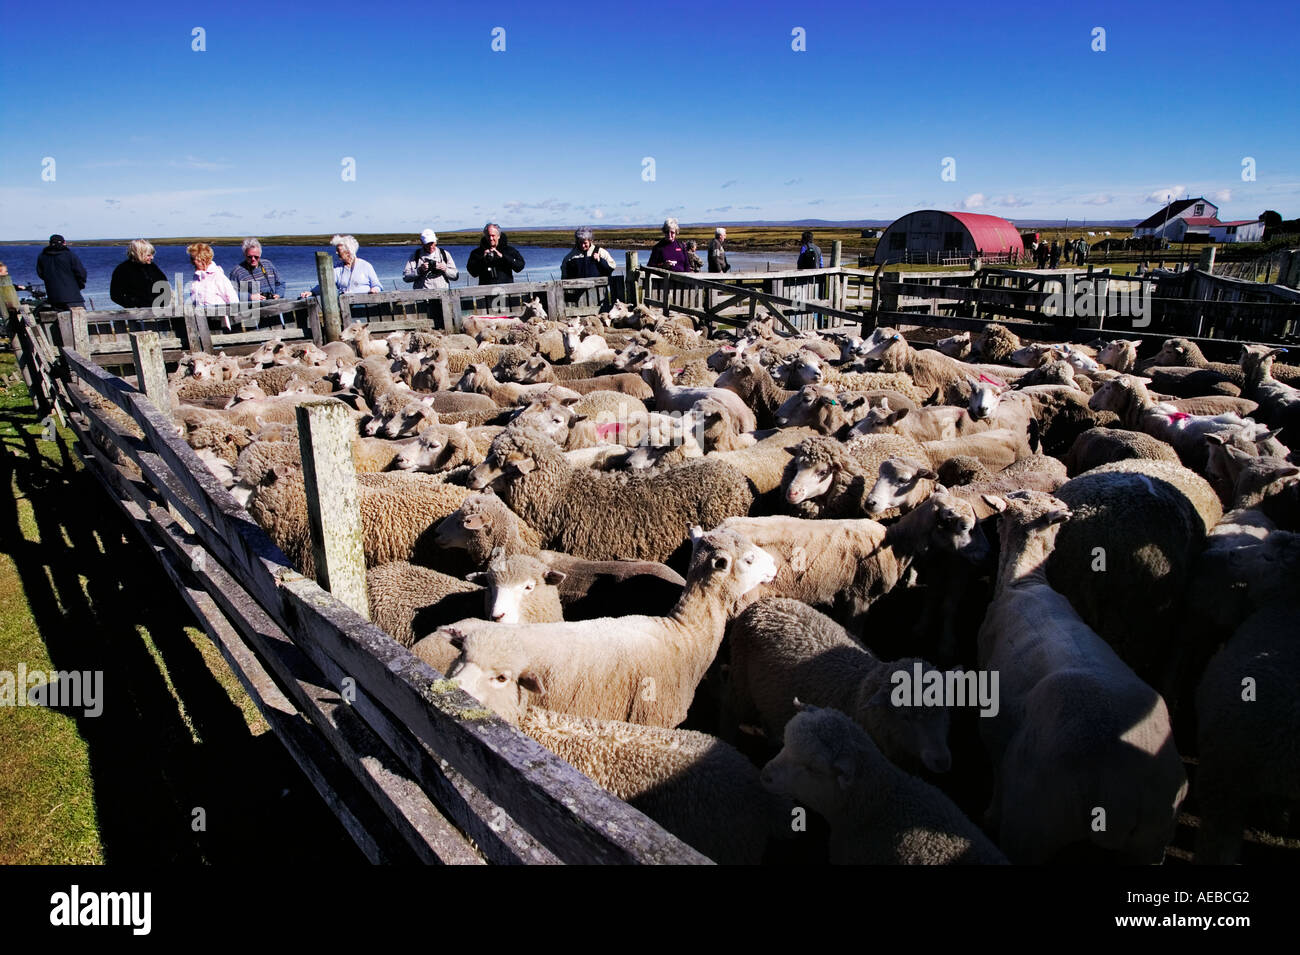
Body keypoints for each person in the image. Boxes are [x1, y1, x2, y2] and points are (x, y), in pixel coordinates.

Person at [301, 235, 383, 298]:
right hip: (345, 306)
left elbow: (377, 285)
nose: (336, 253)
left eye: (338, 250)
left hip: (365, 303)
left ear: (348, 251)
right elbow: (326, 284)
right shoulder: (337, 268)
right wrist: (311, 292)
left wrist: (374, 290)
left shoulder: (365, 265)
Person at [110, 240, 170, 309]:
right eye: (148, 255)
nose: (152, 257)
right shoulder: (122, 270)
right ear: (138, 254)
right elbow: (115, 295)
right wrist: (133, 305)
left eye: (152, 254)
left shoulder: (152, 267)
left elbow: (165, 285)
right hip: (138, 314)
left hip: (161, 311)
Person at [35, 234, 87, 309]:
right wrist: (80, 285)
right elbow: (81, 273)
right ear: (64, 243)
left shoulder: (42, 257)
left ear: (50, 243)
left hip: (53, 297)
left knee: (60, 318)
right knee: (79, 318)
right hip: (73, 297)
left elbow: (41, 274)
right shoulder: (70, 255)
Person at [187, 243, 239, 310]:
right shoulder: (197, 277)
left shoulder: (219, 277)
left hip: (219, 318)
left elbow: (234, 302)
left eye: (193, 259)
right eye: (191, 259)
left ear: (203, 259)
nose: (192, 263)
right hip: (201, 317)